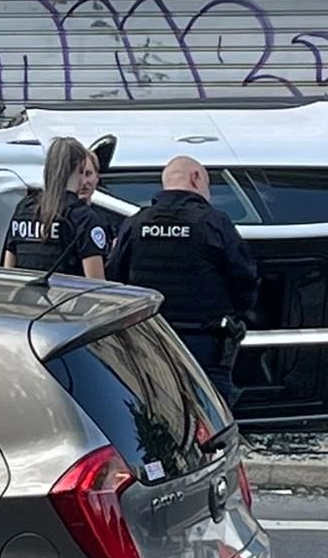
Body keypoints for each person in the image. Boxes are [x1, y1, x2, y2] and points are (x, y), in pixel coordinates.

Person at [108, 155, 258, 402]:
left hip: (151, 337)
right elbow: (244, 278)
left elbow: (115, 277)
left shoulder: (135, 224)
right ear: (196, 178)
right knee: (212, 413)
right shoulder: (213, 222)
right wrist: (237, 312)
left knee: (157, 407)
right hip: (205, 340)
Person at [1, 136, 108, 279]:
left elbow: (9, 274)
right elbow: (96, 284)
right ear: (81, 167)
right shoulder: (83, 217)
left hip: (27, 300)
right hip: (67, 300)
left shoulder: (24, 209)